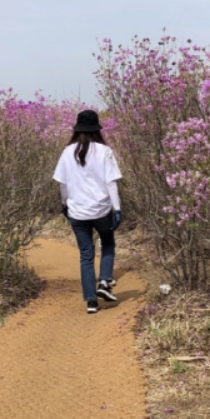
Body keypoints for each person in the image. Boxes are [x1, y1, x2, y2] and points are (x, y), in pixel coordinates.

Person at [53, 110, 123, 314]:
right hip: (101, 210)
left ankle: (91, 302)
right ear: (97, 129)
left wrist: (64, 204)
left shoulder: (67, 152)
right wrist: (117, 209)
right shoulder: (104, 151)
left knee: (86, 255)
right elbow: (111, 183)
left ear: (77, 129)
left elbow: (62, 184)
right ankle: (104, 282)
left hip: (77, 212)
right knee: (107, 244)